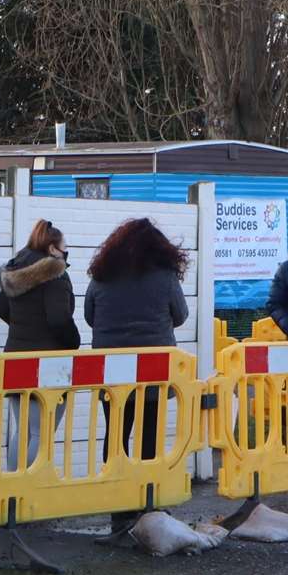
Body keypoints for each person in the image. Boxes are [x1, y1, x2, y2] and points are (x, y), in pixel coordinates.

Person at [85, 219, 189, 530]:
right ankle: (148, 504)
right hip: (153, 374)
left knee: (115, 436)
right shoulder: (165, 277)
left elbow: (91, 317)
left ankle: (118, 507)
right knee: (149, 439)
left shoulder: (101, 278)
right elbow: (181, 316)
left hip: (112, 373)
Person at [0, 220, 80, 469]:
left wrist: (24, 327)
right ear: (53, 249)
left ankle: (10, 492)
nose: (66, 252)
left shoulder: (16, 269)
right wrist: (73, 342)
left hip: (15, 361)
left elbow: (1, 307)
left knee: (22, 432)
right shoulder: (55, 276)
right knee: (40, 436)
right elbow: (58, 319)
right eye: (65, 247)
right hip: (48, 367)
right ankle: (25, 493)